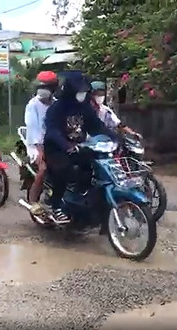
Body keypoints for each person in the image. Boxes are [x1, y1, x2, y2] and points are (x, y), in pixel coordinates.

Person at [44, 72, 119, 223]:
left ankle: (84, 200)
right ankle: (56, 206)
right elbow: (53, 131)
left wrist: (115, 137)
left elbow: (96, 126)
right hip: (57, 149)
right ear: (71, 91)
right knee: (63, 169)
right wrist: (67, 145)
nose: (82, 94)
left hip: (80, 147)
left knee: (96, 166)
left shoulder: (85, 107)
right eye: (80, 91)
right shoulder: (57, 108)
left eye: (84, 92)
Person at [24, 71, 58, 211]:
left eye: (47, 87)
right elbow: (33, 129)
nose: (43, 90)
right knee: (43, 169)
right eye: (41, 87)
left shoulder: (56, 104)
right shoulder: (33, 105)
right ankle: (33, 201)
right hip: (36, 145)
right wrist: (40, 151)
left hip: (54, 143)